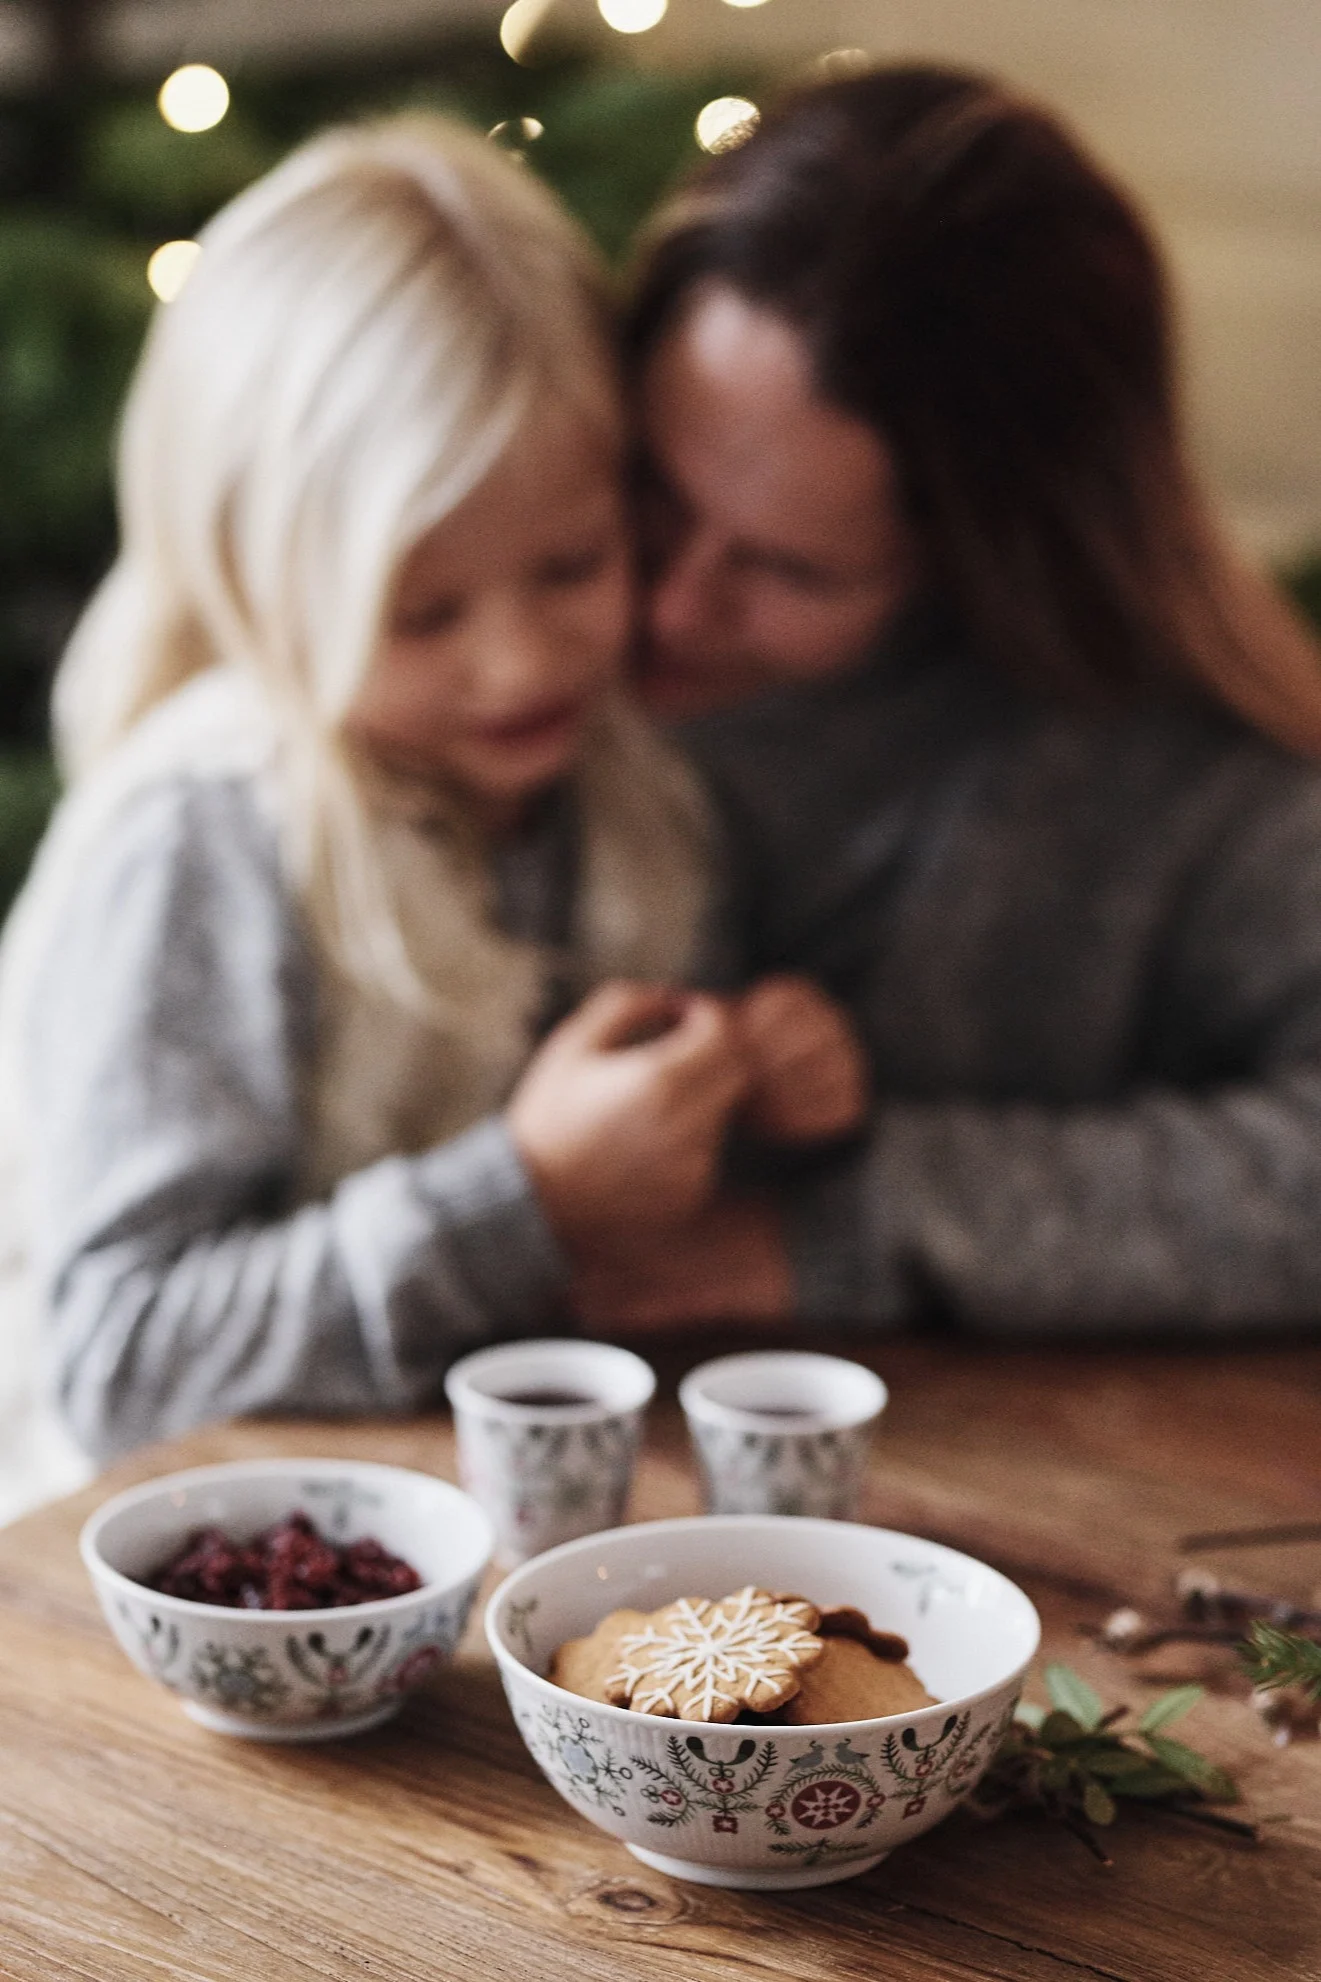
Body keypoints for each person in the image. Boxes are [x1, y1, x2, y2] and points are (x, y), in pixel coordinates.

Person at [0, 112, 865, 1490]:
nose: (518, 661)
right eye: (421, 611)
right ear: (256, 582)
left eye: (574, 566)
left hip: (473, 1527)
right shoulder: (208, 836)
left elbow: (644, 1185)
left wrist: (746, 1089)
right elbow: (124, 1364)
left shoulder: (635, 793)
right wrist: (523, 1194)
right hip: (153, 1585)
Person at [578, 63, 1321, 1335]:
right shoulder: (489, 633)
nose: (670, 608)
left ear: (982, 564)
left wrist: (844, 1227)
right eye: (654, 488)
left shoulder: (1164, 771)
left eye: (787, 568)